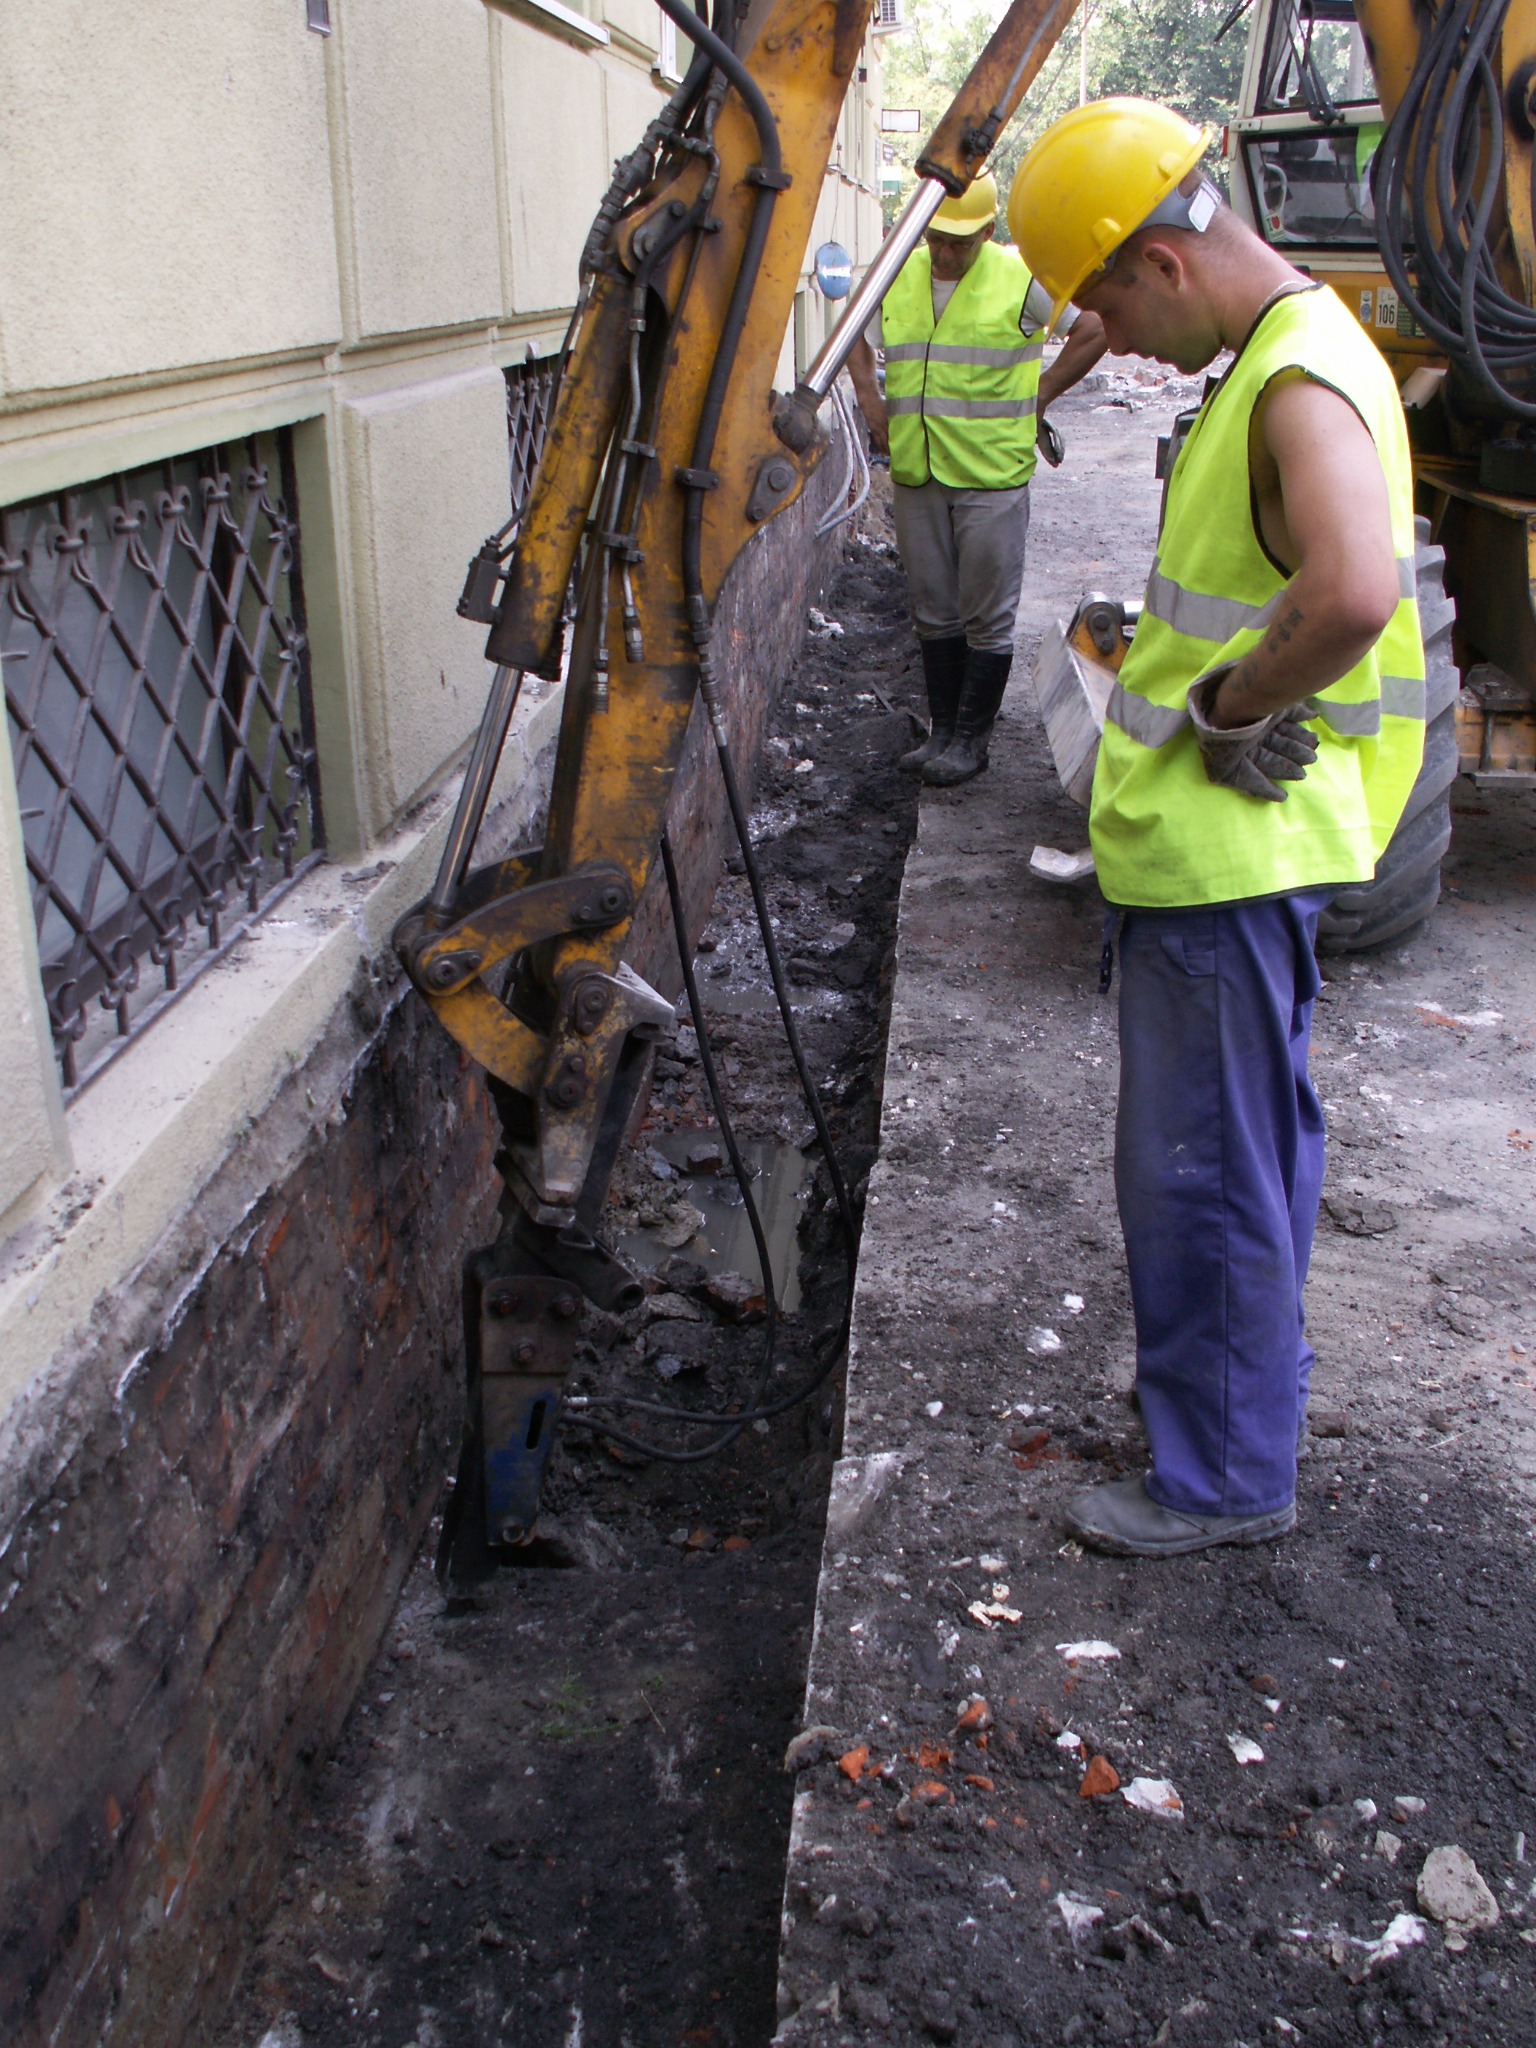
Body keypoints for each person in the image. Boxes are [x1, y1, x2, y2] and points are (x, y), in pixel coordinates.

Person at [1007, 98, 1425, 1557]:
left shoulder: (1296, 378)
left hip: (1224, 867)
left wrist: (1235, 701)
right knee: (1244, 1155)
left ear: (1165, 263)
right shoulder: (1289, 356)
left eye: (1108, 298)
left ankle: (1224, 1476)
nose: (1111, 335)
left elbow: (1355, 590)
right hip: (1232, 868)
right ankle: (1233, 1414)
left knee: (1203, 1172)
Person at [848, 172, 1106, 787]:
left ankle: (971, 741)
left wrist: (1041, 393)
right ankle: (942, 730)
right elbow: (854, 332)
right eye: (936, 238)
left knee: (987, 614)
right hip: (918, 468)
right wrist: (868, 397)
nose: (945, 252)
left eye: (960, 242)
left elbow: (1093, 329)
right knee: (933, 609)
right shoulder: (899, 275)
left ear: (989, 232)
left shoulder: (1021, 279)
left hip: (991, 476)